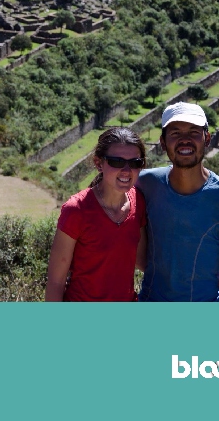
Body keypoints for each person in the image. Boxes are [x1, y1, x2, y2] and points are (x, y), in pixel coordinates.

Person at [137, 101, 219, 302]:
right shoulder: (145, 184)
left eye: (194, 132)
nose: (185, 140)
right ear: (163, 143)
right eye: (175, 133)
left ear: (207, 139)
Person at [45, 126, 147, 301]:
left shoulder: (139, 201)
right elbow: (56, 281)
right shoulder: (76, 210)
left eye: (135, 163)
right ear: (99, 163)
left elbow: (141, 260)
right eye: (117, 162)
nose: (126, 170)